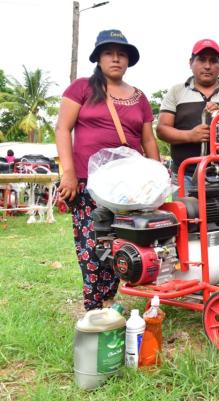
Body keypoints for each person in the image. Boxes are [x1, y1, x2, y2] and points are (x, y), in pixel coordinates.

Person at [55, 29, 160, 311]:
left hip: (130, 189)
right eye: (109, 53)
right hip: (89, 183)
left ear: (128, 60)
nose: (116, 58)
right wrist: (67, 172)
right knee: (91, 244)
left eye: (121, 53)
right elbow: (63, 129)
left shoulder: (139, 97)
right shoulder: (81, 88)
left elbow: (149, 140)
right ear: (98, 58)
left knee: (123, 243)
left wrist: (159, 180)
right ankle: (94, 305)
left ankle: (110, 297)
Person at [157, 38, 219, 197]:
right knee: (189, 219)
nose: (207, 66)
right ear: (191, 62)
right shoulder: (176, 91)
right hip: (184, 174)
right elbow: (161, 129)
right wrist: (190, 136)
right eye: (202, 60)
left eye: (213, 61)